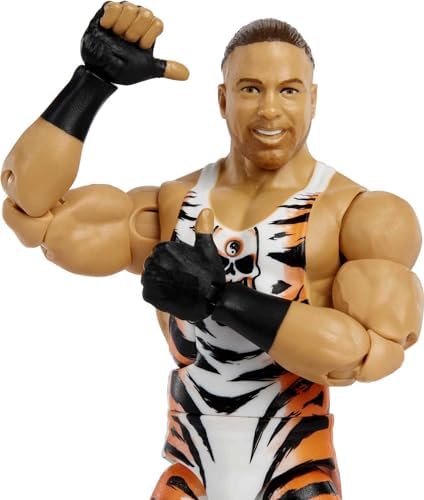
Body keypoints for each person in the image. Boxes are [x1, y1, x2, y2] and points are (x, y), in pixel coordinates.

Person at [2, 2, 422, 499]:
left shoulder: (361, 214)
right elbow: (33, 213)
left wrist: (223, 299)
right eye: (251, 89)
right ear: (223, 99)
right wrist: (92, 82)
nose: (270, 110)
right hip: (190, 464)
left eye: (289, 90)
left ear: (314, 100)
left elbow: (367, 354)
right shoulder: (174, 203)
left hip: (295, 465)